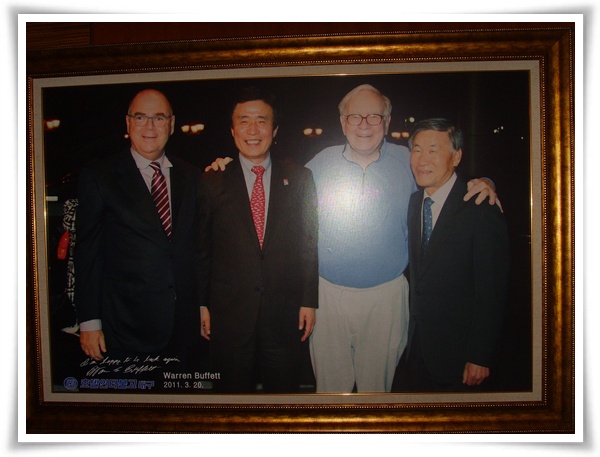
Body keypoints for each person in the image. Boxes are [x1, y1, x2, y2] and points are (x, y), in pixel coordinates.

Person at [207, 84, 498, 393]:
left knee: (378, 392)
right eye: (354, 116)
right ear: (342, 122)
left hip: (387, 297)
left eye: (374, 116)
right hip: (328, 296)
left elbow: (445, 181)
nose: (364, 125)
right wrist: (227, 168)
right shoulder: (318, 164)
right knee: (330, 391)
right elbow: (272, 183)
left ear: (387, 122)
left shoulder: (409, 160)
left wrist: (483, 181)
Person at [74, 89, 208, 381]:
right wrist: (89, 322)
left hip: (184, 329)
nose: (150, 126)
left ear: (171, 124)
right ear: (128, 122)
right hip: (124, 329)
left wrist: (202, 304)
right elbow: (87, 255)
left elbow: (198, 249)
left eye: (158, 118)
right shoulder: (100, 176)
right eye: (140, 117)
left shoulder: (193, 176)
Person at [200, 87, 319, 393]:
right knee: (231, 403)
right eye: (244, 121)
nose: (252, 130)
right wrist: (201, 304)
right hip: (229, 317)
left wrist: (309, 301)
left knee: (284, 403)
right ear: (232, 129)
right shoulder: (212, 180)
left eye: (262, 121)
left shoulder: (300, 178)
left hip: (284, 316)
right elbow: (202, 249)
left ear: (274, 129)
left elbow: (308, 244)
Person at [393, 118, 510, 392]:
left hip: (459, 355)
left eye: (433, 150)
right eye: (417, 150)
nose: (422, 159)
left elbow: (492, 290)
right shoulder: (414, 203)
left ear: (456, 157)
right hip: (417, 350)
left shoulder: (480, 207)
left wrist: (480, 355)